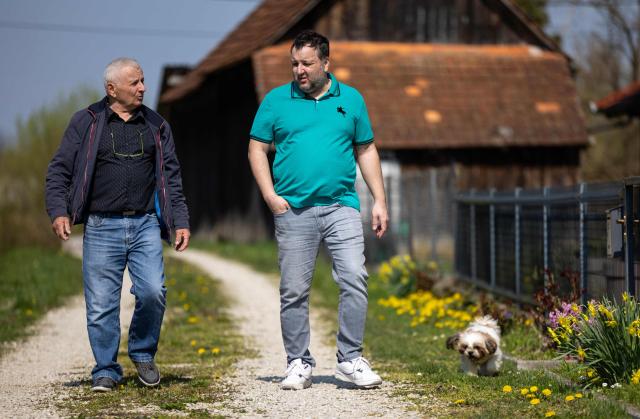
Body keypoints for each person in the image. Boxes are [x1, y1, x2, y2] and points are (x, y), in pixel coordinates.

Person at [248, 30, 388, 390]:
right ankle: (298, 362)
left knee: (355, 277)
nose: (299, 70)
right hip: (293, 210)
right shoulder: (276, 101)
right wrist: (269, 196)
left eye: (307, 63)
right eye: (294, 63)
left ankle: (350, 359)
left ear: (326, 62)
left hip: (342, 205)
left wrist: (379, 200)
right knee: (294, 290)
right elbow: (256, 149)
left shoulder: (352, 100)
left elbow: (366, 151)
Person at [45, 58, 190, 392]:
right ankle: (106, 369)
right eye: (135, 83)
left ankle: (142, 352)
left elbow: (171, 177)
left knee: (154, 291)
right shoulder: (86, 121)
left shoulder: (156, 125)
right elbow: (59, 170)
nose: (143, 88)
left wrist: (179, 220)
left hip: (144, 225)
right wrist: (58, 211)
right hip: (100, 226)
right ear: (112, 89)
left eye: (142, 81)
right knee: (101, 304)